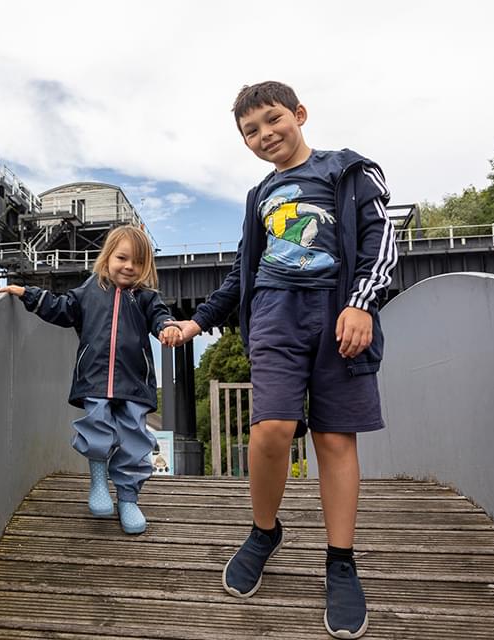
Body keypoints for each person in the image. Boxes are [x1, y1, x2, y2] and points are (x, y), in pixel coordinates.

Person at [167, 81, 398, 639]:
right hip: (274, 313)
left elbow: (381, 242)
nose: (265, 134)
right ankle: (264, 531)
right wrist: (200, 319)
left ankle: (340, 562)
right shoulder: (259, 196)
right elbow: (243, 269)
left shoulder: (348, 170)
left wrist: (361, 304)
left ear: (299, 114)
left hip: (338, 311)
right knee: (271, 428)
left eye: (273, 119)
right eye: (251, 131)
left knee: (335, 439)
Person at [0, 225, 182, 535]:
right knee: (96, 428)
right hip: (95, 379)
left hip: (134, 383)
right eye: (122, 258)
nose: (129, 266)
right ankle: (98, 483)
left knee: (135, 441)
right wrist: (28, 294)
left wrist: (168, 327)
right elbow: (61, 309)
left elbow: (160, 318)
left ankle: (128, 499)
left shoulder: (147, 298)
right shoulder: (88, 291)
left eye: (138, 262)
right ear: (107, 257)